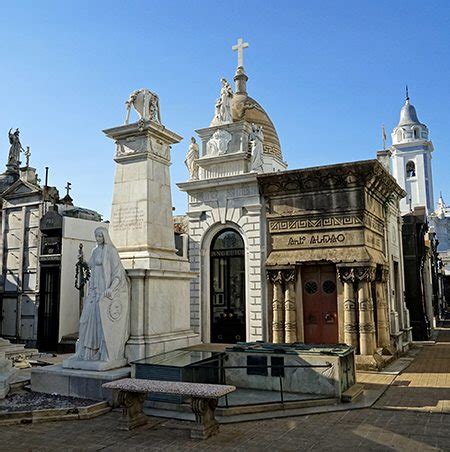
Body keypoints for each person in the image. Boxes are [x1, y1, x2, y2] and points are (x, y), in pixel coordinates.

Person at [74, 227, 129, 363]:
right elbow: (90, 266)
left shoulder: (111, 251)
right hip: (93, 291)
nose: (98, 238)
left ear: (105, 236)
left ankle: (101, 352)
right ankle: (87, 352)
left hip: (104, 292)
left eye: (100, 236)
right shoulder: (95, 250)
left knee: (101, 323)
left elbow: (117, 273)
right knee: (86, 321)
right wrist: (82, 260)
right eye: (96, 236)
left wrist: (111, 288)